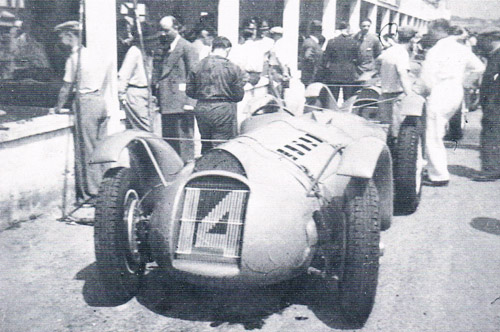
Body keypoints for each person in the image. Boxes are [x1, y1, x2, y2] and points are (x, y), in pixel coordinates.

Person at [419, 23, 485, 186]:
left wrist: (418, 92)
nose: (429, 34)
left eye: (431, 31)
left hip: (440, 91)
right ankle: (435, 168)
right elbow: (479, 68)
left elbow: (426, 80)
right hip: (456, 91)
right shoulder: (461, 49)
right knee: (438, 131)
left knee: (433, 135)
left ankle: (438, 175)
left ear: (439, 32)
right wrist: (463, 82)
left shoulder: (435, 51)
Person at [51, 21, 108, 203]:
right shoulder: (93, 54)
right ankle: (105, 190)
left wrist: (57, 108)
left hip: (85, 104)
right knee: (100, 149)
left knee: (87, 152)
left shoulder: (74, 59)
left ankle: (92, 194)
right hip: (99, 100)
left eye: (62, 37)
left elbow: (66, 87)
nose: (60, 41)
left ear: (70, 36)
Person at [186, 36, 246, 154]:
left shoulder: (197, 66)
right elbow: (239, 95)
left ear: (212, 48)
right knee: (222, 145)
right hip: (223, 109)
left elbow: (189, 91)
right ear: (227, 49)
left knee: (206, 144)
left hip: (202, 107)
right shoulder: (233, 68)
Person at [155, 16, 199, 163]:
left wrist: (190, 102)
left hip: (181, 103)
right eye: (161, 30)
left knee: (184, 139)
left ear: (177, 28)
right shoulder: (164, 48)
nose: (163, 34)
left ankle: (187, 167)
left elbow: (194, 77)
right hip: (167, 101)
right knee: (169, 139)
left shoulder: (187, 47)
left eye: (166, 31)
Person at [377, 26, 418, 137]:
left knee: (386, 130)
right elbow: (403, 75)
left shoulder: (389, 50)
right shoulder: (402, 53)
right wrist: (410, 95)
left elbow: (378, 60)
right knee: (397, 132)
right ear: (412, 40)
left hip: (384, 94)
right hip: (397, 97)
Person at [118, 22, 157, 132]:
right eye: (152, 40)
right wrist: (122, 96)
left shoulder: (149, 53)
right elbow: (124, 75)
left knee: (150, 127)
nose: (155, 43)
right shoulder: (134, 52)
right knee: (146, 128)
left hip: (146, 92)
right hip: (135, 93)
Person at [473, 30, 500, 181]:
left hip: (495, 104)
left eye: (482, 41)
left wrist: (490, 102)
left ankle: (490, 170)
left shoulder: (497, 55)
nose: (480, 45)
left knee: (491, 135)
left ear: (491, 40)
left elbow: (492, 80)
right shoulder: (494, 55)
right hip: (494, 103)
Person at [319, 21, 359, 101]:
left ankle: (332, 112)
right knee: (348, 99)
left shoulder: (331, 42)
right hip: (348, 73)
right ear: (348, 29)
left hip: (333, 73)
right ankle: (346, 113)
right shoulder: (354, 43)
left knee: (332, 98)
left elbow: (325, 59)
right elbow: (357, 58)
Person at [299, 20, 323, 86]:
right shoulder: (310, 43)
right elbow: (308, 58)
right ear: (316, 31)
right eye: (320, 30)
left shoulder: (313, 42)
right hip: (311, 77)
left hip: (312, 77)